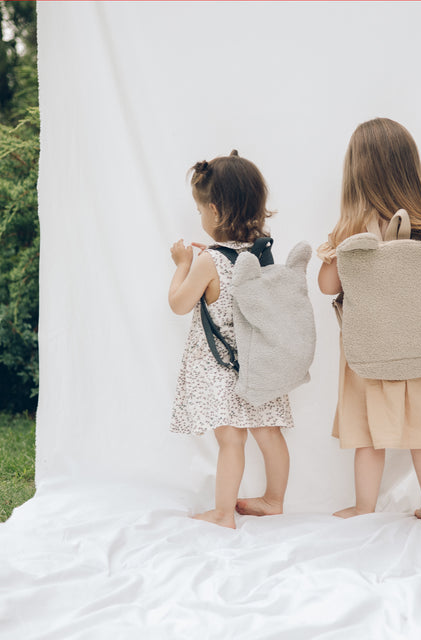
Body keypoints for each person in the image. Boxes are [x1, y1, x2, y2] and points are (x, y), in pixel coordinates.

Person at [317, 118, 421, 527]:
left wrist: (338, 248)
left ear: (356, 175)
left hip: (369, 350)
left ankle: (365, 508)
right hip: (419, 347)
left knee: (368, 435)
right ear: (410, 172)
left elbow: (328, 286)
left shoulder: (352, 231)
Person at [169, 151, 293, 530]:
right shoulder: (263, 255)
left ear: (216, 210)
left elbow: (179, 304)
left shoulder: (209, 262)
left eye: (201, 210)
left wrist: (183, 266)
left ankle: (223, 514)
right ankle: (274, 500)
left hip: (221, 370)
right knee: (269, 433)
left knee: (231, 441)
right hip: (260, 363)